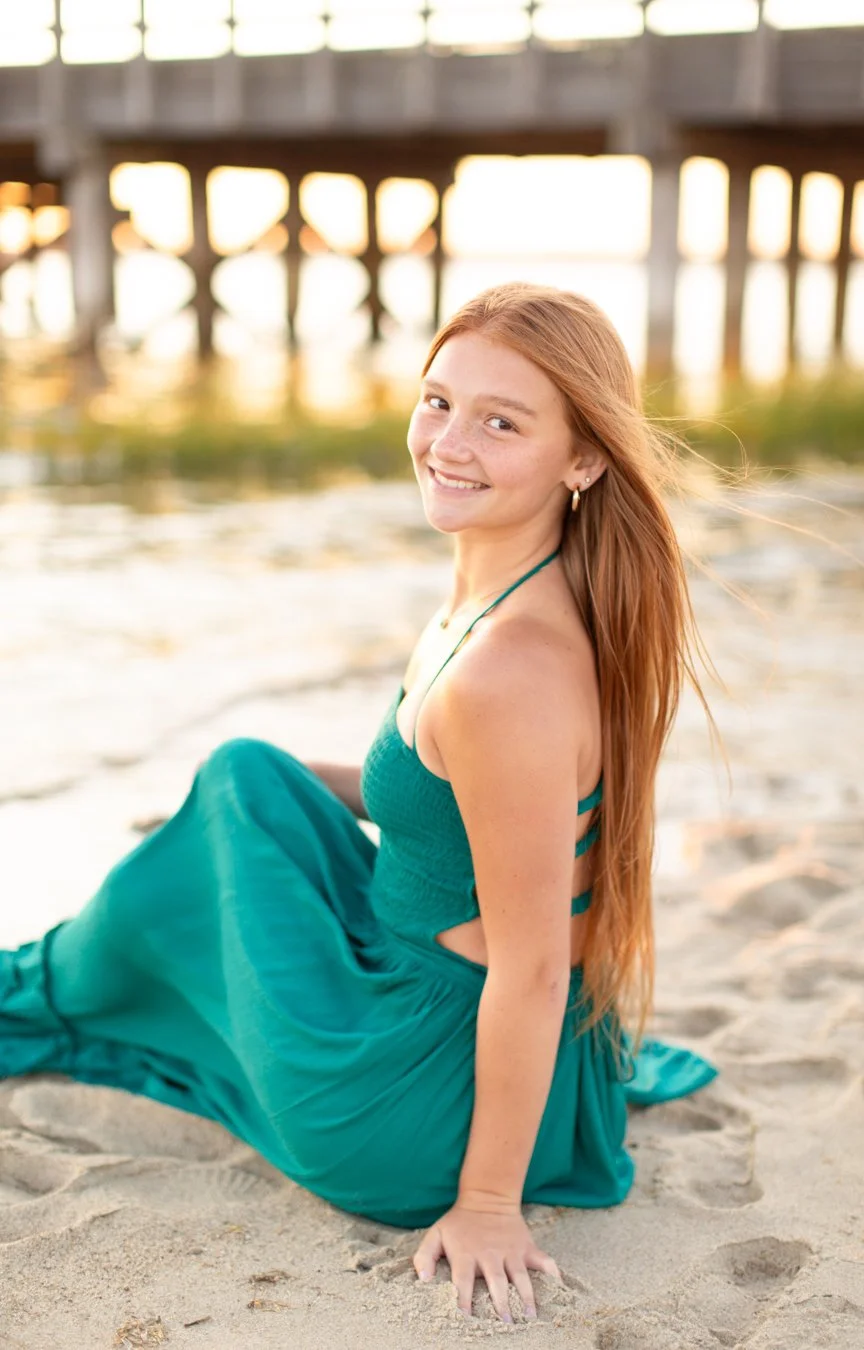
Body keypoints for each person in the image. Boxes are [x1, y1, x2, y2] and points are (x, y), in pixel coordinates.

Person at [0, 282, 717, 1326]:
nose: (448, 443)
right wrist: (275, 797)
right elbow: (445, 801)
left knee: (225, 815)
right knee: (250, 780)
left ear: (584, 460)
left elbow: (531, 969)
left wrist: (487, 1204)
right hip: (435, 997)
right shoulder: (515, 584)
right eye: (439, 401)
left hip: (414, 1091)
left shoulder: (507, 676)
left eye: (501, 422)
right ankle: (52, 973)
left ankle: (36, 987)